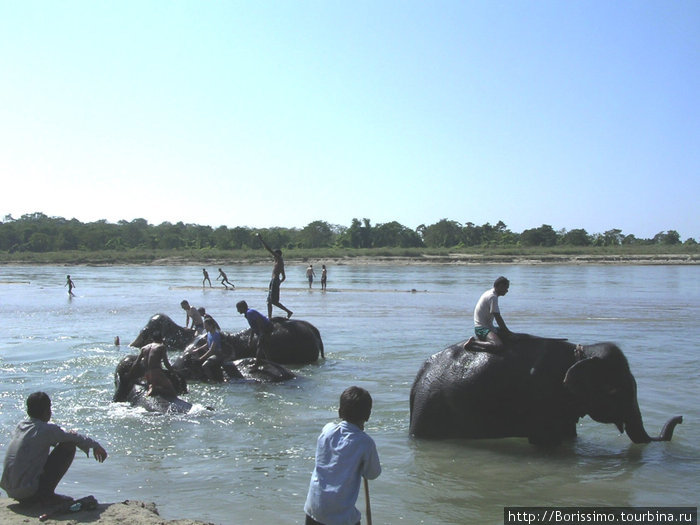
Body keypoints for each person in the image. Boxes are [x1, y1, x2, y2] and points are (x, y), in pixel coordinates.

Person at [1, 392, 108, 505]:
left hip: (10, 490)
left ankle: (40, 493)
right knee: (68, 446)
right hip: (28, 492)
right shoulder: (45, 429)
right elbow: (74, 437)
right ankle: (47, 495)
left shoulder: (20, 425)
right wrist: (96, 446)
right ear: (47, 411)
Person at [304, 386, 381, 525]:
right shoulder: (365, 443)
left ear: (340, 411)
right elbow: (373, 473)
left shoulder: (327, 430)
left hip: (314, 509)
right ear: (368, 415)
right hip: (339, 518)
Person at [464, 276, 512, 352]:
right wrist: (507, 331)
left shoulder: (489, 292)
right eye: (506, 288)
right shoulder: (492, 297)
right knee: (498, 345)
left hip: (488, 326)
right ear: (500, 286)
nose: (507, 291)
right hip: (482, 328)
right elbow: (497, 317)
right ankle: (473, 343)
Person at [257, 233, 293, 319]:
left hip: (274, 281)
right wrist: (279, 282)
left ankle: (288, 312)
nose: (273, 257)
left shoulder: (279, 259)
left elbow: (268, 249)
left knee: (273, 301)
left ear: (277, 255)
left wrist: (261, 240)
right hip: (274, 281)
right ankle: (269, 317)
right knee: (269, 301)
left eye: (274, 255)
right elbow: (284, 276)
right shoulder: (279, 263)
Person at [131, 333, 177, 398]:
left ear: (152, 339)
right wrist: (174, 372)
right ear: (161, 339)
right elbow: (166, 364)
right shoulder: (161, 347)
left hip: (147, 374)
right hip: (156, 373)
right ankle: (156, 389)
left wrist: (130, 374)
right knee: (172, 392)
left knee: (154, 382)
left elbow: (136, 363)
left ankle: (152, 386)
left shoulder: (144, 348)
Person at [236, 300, 273, 366]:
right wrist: (251, 338)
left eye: (238, 308)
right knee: (264, 347)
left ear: (242, 307)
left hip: (266, 327)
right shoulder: (247, 314)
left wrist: (261, 333)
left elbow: (259, 321)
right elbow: (253, 326)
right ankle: (269, 361)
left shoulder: (250, 313)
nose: (237, 311)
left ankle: (256, 364)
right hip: (263, 329)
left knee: (260, 345)